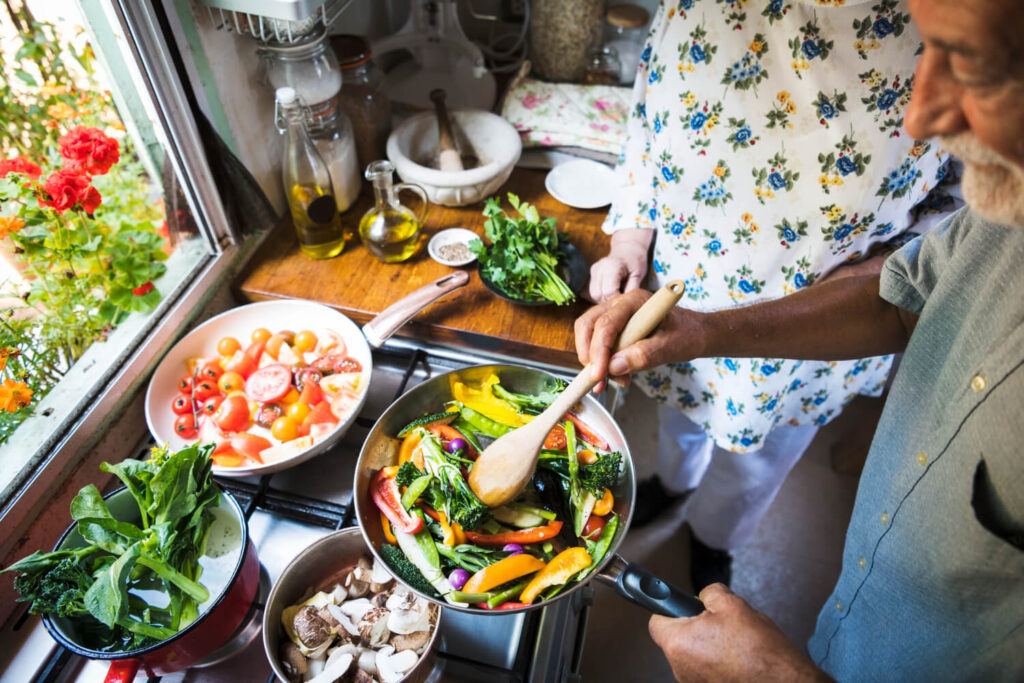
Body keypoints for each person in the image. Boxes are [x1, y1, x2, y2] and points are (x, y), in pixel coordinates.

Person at [575, 0, 1024, 678]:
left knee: (757, 460)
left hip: (809, 340)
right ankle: (672, 482)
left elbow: (936, 228)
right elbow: (651, 103)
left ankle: (713, 535)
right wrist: (640, 238)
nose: (923, 114)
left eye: (969, 64)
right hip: (682, 295)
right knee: (682, 423)